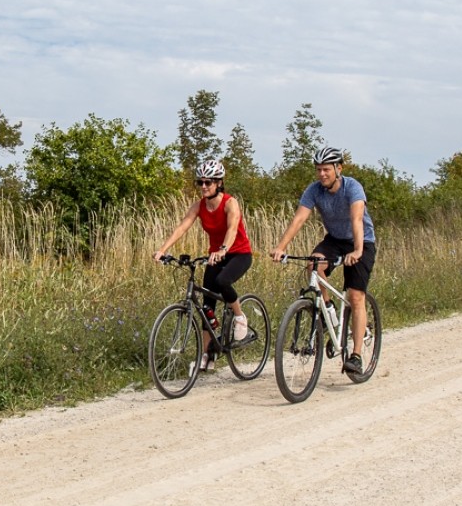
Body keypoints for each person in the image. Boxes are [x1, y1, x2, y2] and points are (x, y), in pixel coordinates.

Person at [269, 146, 375, 375]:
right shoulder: (314, 190)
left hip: (361, 242)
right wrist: (280, 247)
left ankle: (355, 356)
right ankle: (328, 311)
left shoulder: (352, 187)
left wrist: (357, 251)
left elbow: (357, 219)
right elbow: (299, 219)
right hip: (335, 240)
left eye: (326, 169)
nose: (321, 174)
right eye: (318, 170)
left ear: (339, 168)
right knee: (313, 264)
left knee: (356, 296)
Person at [155, 158, 255, 371]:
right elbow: (182, 227)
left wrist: (223, 250)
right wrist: (163, 250)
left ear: (219, 183)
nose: (203, 187)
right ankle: (206, 356)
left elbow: (232, 228)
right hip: (214, 256)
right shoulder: (199, 206)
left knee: (223, 280)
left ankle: (239, 316)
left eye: (208, 182)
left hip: (238, 254)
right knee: (206, 307)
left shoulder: (230, 203)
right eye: (199, 182)